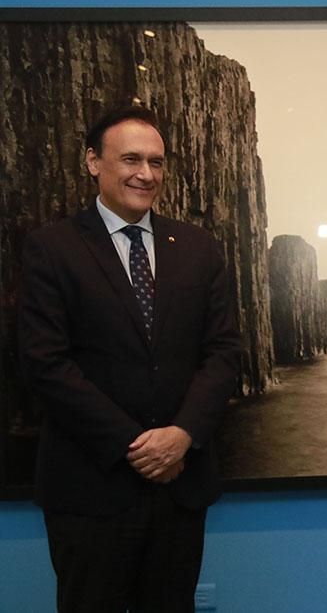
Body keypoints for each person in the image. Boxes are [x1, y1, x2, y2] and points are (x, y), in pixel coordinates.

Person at [18, 106, 242, 613]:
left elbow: (224, 351)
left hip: (179, 487)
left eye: (157, 162)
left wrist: (182, 435)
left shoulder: (198, 248)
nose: (146, 174)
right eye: (132, 159)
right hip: (89, 489)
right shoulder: (51, 249)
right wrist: (135, 446)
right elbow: (44, 362)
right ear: (93, 162)